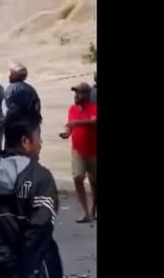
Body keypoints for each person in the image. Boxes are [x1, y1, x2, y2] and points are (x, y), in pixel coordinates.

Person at [0, 111, 63, 278]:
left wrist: (6, 259)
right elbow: (40, 228)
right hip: (37, 268)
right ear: (26, 141)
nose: (41, 143)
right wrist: (23, 267)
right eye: (38, 136)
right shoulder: (41, 177)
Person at [60, 82, 97, 223]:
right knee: (78, 177)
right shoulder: (72, 109)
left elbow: (93, 122)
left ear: (87, 95)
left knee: (94, 181)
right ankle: (85, 212)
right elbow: (69, 125)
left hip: (93, 151)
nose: (76, 96)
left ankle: (93, 209)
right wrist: (67, 133)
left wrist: (76, 123)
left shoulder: (93, 108)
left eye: (79, 93)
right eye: (75, 93)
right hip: (78, 150)